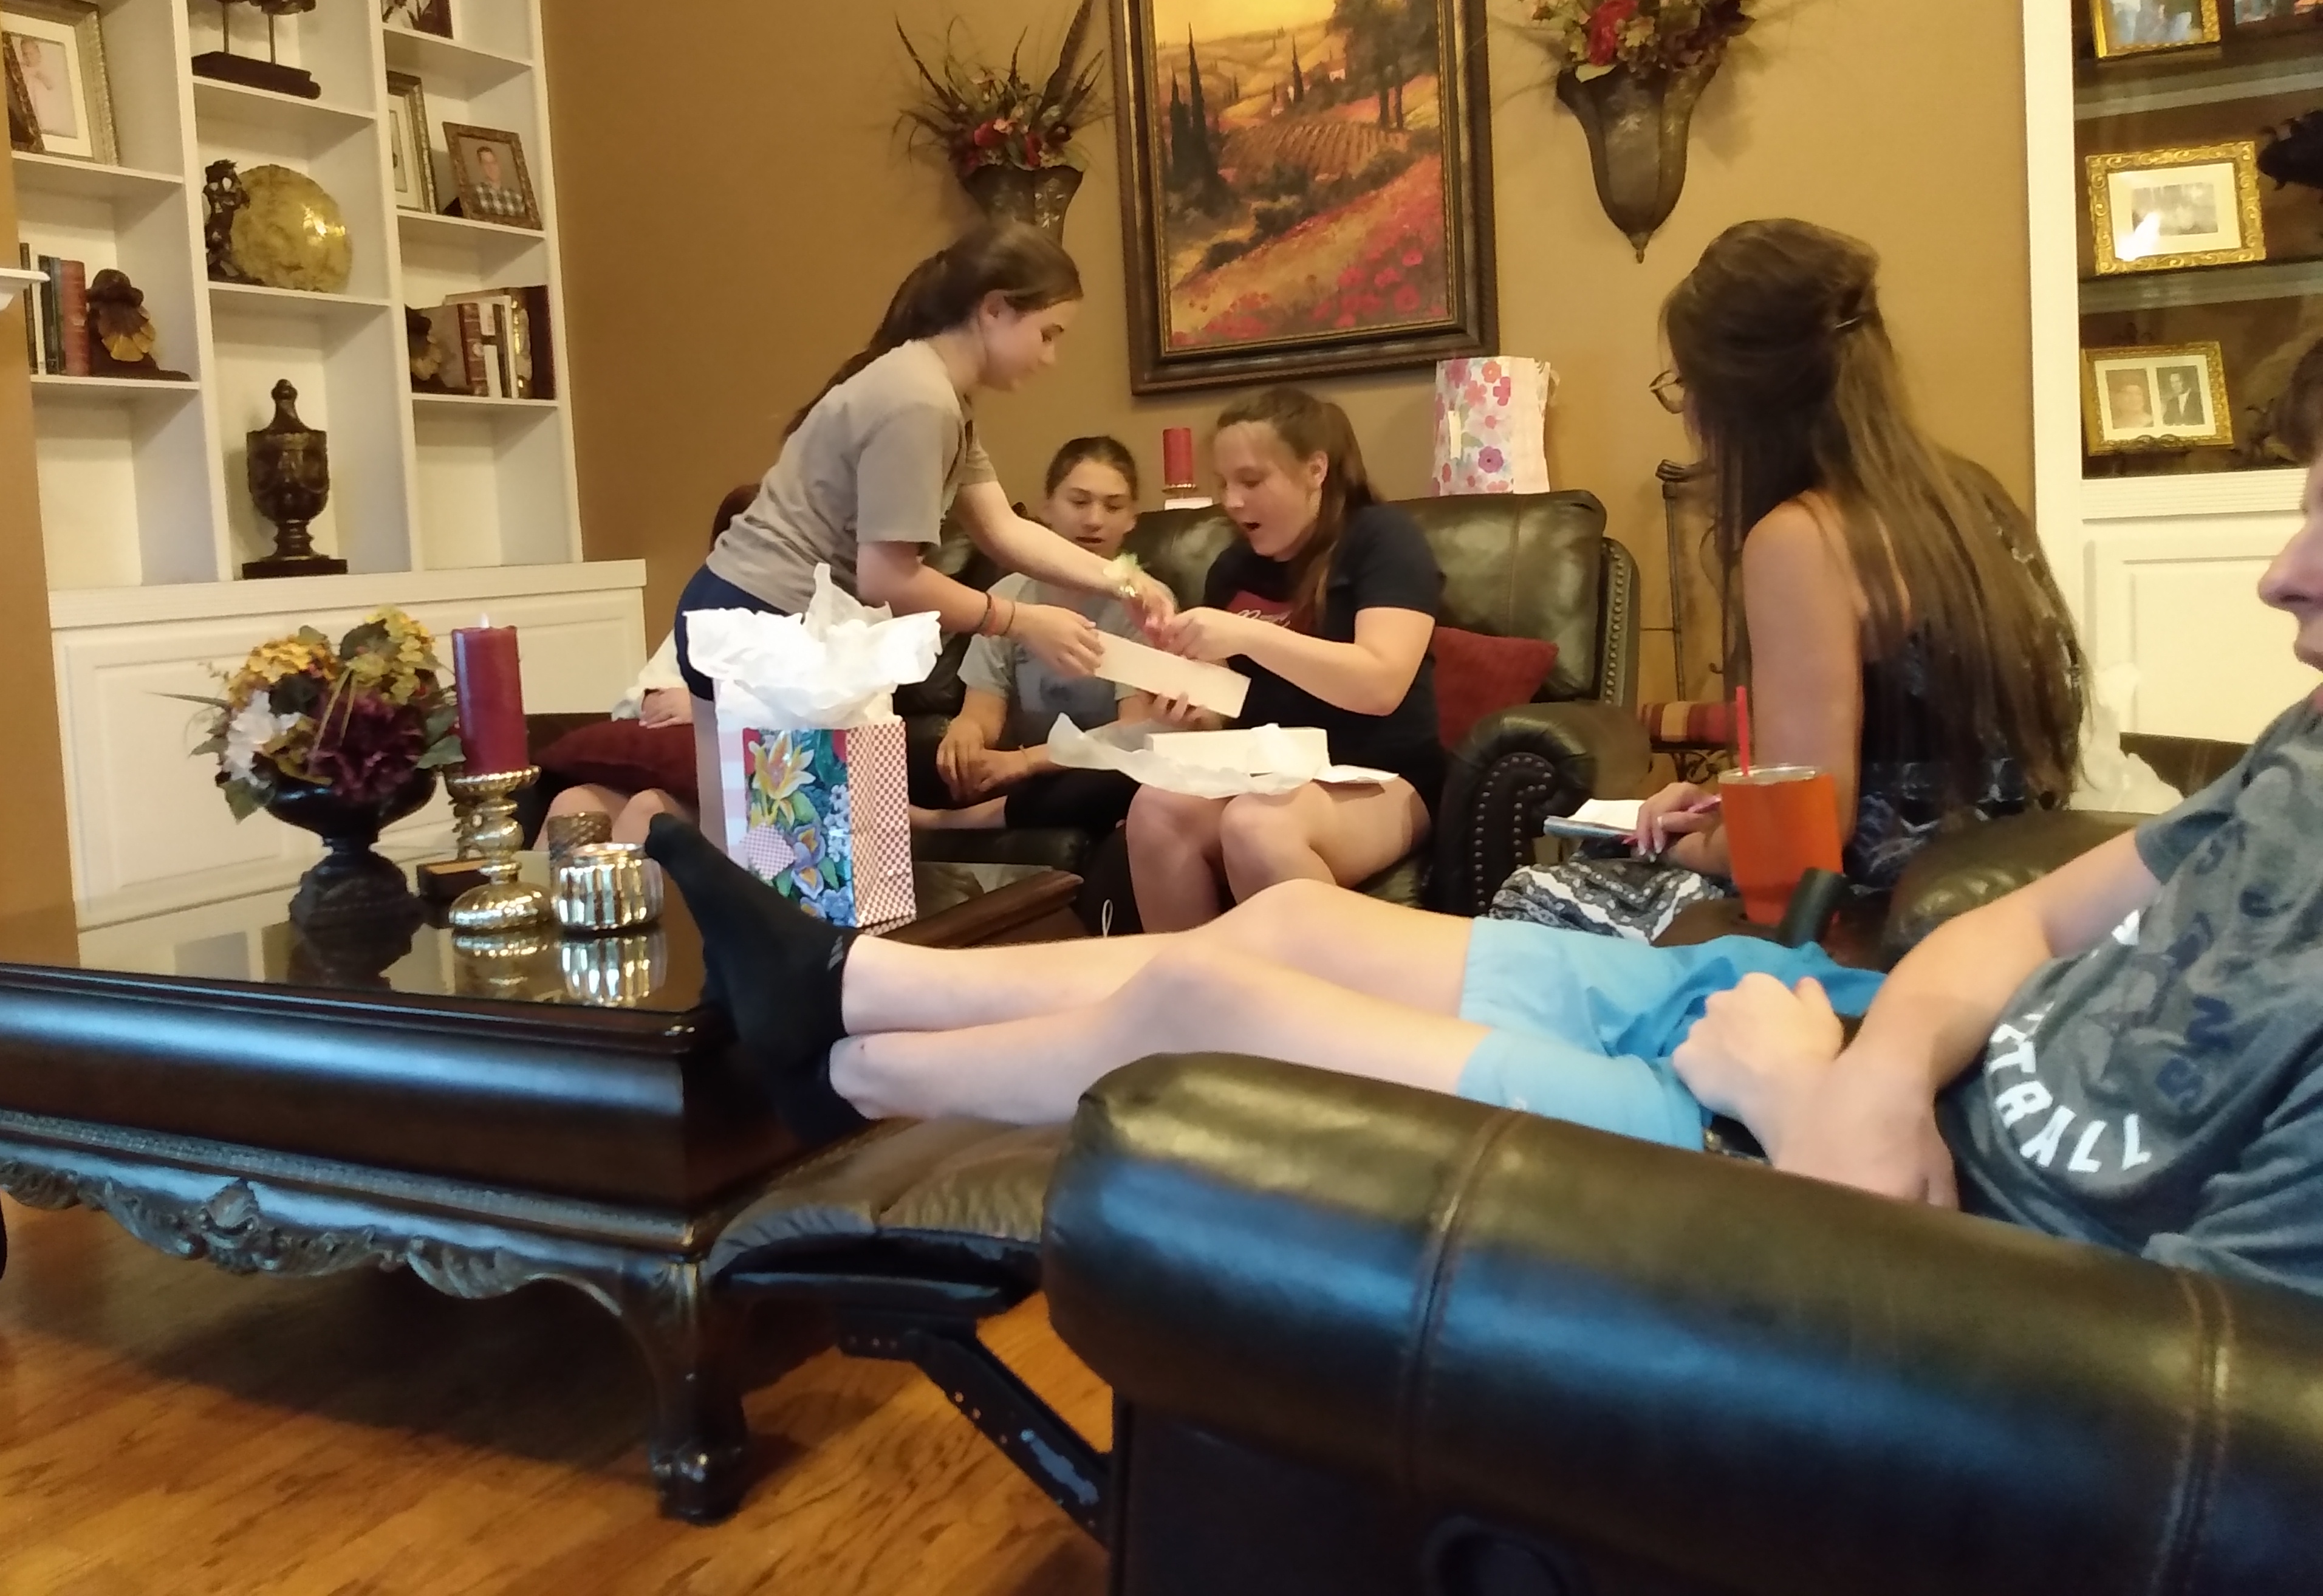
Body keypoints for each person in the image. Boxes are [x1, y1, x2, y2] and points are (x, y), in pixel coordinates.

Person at [640, 340, 2323, 1300]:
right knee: (1274, 923)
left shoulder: (1391, 551)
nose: (2275, 574)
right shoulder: (2303, 753)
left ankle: (844, 1069)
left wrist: (1803, 1095)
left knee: (1213, 978)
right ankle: (854, 979)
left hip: (1784, 1145)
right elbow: (2024, 919)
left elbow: (2097, 1373)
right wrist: (1874, 1059)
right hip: (1822, 1034)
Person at [1492, 219, 2083, 940]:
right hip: (2003, 890)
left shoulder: (1802, 538)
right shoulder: (1967, 495)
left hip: (1872, 910)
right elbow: (1900, 757)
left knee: (1532, 897)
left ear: (1737, 397)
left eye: (1684, 386)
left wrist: (1681, 844)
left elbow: (1802, 842)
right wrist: (1717, 805)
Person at [676, 221, 1177, 828]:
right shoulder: (920, 401)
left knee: (752, 856)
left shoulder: (938, 395)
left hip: (742, 612)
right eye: (1047, 334)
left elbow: (1002, 529)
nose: (1050, 358)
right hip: (766, 629)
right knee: (796, 867)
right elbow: (889, 578)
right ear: (994, 309)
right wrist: (1022, 621)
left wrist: (1123, 579)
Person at [1123, 388, 1442, 930]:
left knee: (1256, 826)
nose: (1232, 501)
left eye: (1251, 481)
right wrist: (1189, 703)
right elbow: (1227, 707)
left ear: (1315, 470)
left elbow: (1381, 684)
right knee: (1155, 808)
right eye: (1224, 483)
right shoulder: (1233, 567)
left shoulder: (1384, 540)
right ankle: (1194, 982)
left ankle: (1327, 984)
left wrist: (1249, 637)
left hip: (1380, 775)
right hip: (1268, 769)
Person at [913, 434, 1151, 840]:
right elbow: (983, 714)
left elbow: (1133, 732)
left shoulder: (1143, 605)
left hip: (1094, 768)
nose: (1094, 519)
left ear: (1132, 518)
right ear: (1047, 508)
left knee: (1120, 775)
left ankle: (942, 824)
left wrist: (1026, 762)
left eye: (1113, 506)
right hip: (1016, 768)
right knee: (916, 755)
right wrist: (966, 737)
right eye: (1079, 502)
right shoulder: (1009, 596)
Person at [542, 484, 759, 841]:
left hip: (748, 792)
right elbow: (632, 702)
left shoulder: (822, 613)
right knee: (574, 805)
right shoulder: (708, 614)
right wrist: (651, 702)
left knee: (649, 811)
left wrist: (706, 705)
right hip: (680, 781)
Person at [466, 142, 535, 225]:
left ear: (499, 164)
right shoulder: (474, 193)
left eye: (494, 163)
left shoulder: (516, 199)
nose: (491, 168)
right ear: (481, 167)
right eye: (486, 164)